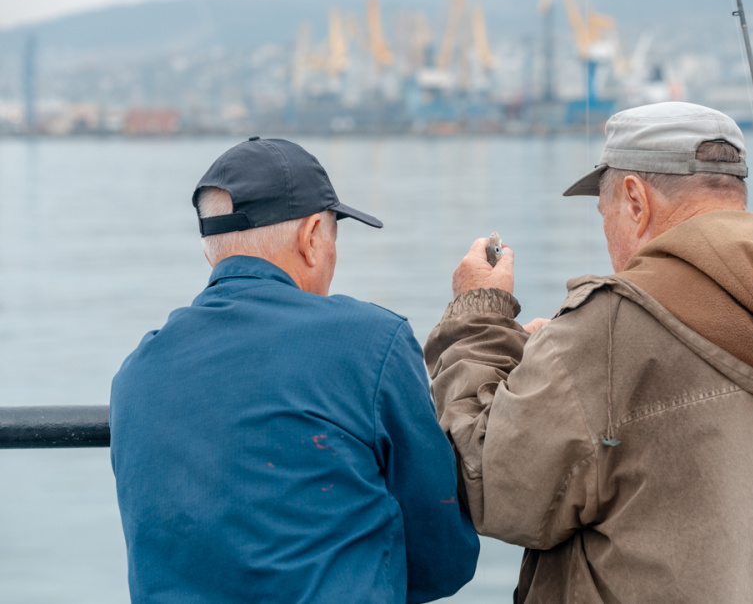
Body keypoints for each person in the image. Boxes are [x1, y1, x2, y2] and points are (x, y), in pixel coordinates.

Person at [425, 103, 753, 603]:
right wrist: (568, 352)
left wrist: (478, 314)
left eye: (605, 212)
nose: (606, 232)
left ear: (635, 200)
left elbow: (493, 484)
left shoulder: (611, 327)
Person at [110, 137, 478, 603]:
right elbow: (443, 559)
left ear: (212, 251)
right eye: (331, 239)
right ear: (309, 239)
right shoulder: (369, 342)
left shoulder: (135, 375)